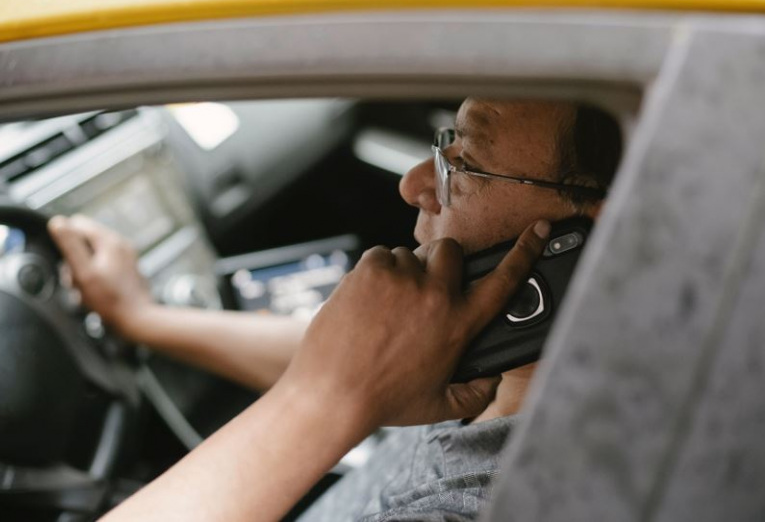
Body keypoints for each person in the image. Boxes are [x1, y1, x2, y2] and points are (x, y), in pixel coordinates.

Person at [48, 98, 621, 520]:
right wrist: (147, 321)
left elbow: (345, 376)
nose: (414, 183)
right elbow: (361, 361)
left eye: (465, 162)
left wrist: (323, 400)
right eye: (444, 141)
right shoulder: (511, 360)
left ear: (600, 237)